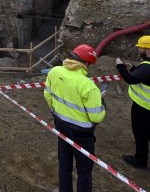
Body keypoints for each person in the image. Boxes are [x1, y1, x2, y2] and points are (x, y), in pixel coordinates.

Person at [44, 44, 106, 192]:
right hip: (82, 134)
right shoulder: (88, 85)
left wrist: (57, 112)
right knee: (84, 171)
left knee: (64, 166)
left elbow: (47, 95)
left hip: (61, 126)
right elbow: (97, 117)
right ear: (86, 64)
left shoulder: (54, 71)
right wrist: (102, 102)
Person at [115, 35, 150, 169]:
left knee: (140, 133)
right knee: (148, 130)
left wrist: (120, 66)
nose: (138, 50)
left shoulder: (148, 67)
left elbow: (130, 80)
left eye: (140, 48)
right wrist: (135, 69)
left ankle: (140, 161)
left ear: (149, 50)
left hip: (143, 108)